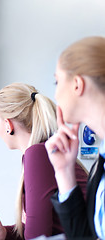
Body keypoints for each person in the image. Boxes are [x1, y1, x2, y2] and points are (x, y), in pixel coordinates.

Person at [0, 83, 88, 240]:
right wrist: (4, 233)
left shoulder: (38, 154)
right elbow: (42, 230)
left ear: (8, 125)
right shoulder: (43, 151)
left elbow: (37, 236)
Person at [45, 36, 105, 239]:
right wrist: (64, 172)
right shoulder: (100, 164)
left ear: (77, 84)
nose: (55, 95)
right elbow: (84, 236)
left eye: (57, 81)